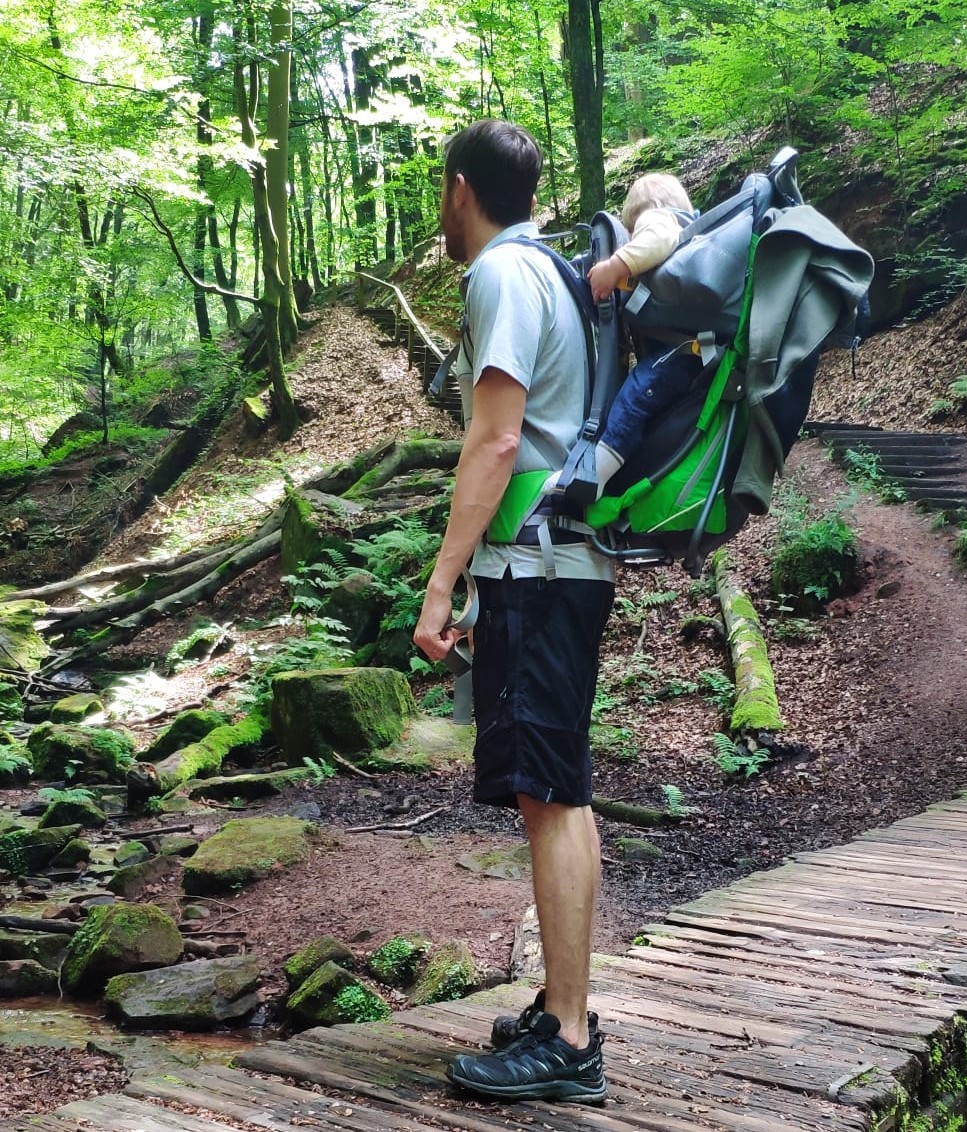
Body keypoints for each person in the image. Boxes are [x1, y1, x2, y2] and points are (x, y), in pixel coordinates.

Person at [413, 119, 614, 1105]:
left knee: (553, 793)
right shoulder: (555, 273)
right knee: (556, 791)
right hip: (558, 561)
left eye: (440, 195)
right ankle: (561, 1009)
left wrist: (441, 583)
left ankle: (569, 1041)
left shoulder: (499, 274)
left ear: (460, 188)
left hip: (538, 569)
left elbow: (495, 442)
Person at [584, 173, 705, 491]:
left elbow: (658, 238)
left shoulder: (661, 219)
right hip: (692, 350)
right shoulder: (694, 231)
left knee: (634, 397)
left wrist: (615, 266)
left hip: (679, 352)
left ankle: (594, 476)